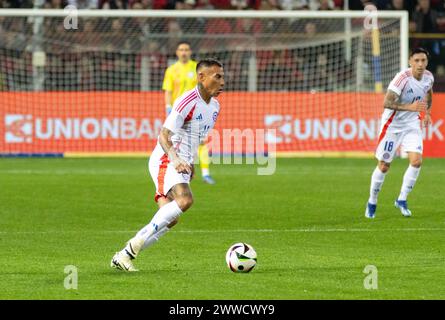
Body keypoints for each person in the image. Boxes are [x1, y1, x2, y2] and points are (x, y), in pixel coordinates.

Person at [111, 58, 224, 271]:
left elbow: (194, 138)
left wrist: (191, 164)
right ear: (202, 77)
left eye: (222, 76)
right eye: (217, 76)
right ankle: (129, 250)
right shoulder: (187, 101)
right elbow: (163, 135)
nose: (223, 81)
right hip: (166, 159)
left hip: (182, 162)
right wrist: (175, 158)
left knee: (170, 220)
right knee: (185, 200)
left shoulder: (215, 106)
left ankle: (123, 256)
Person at [365, 47, 434, 219]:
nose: (420, 64)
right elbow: (386, 102)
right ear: (410, 61)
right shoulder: (402, 78)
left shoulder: (428, 77)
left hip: (412, 124)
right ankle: (372, 201)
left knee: (417, 161)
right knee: (384, 166)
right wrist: (408, 107)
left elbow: (429, 92)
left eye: (423, 61)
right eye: (416, 61)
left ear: (427, 62)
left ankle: (402, 199)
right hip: (392, 126)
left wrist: (427, 113)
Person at [163, 41, 216, 185]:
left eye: (186, 49)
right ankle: (174, 170)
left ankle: (206, 174)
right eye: (181, 49)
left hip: (195, 112)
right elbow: (168, 90)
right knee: (174, 141)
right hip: (179, 112)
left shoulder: (197, 68)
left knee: (201, 141)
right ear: (177, 52)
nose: (184, 52)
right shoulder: (171, 70)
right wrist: (168, 107)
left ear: (190, 51)